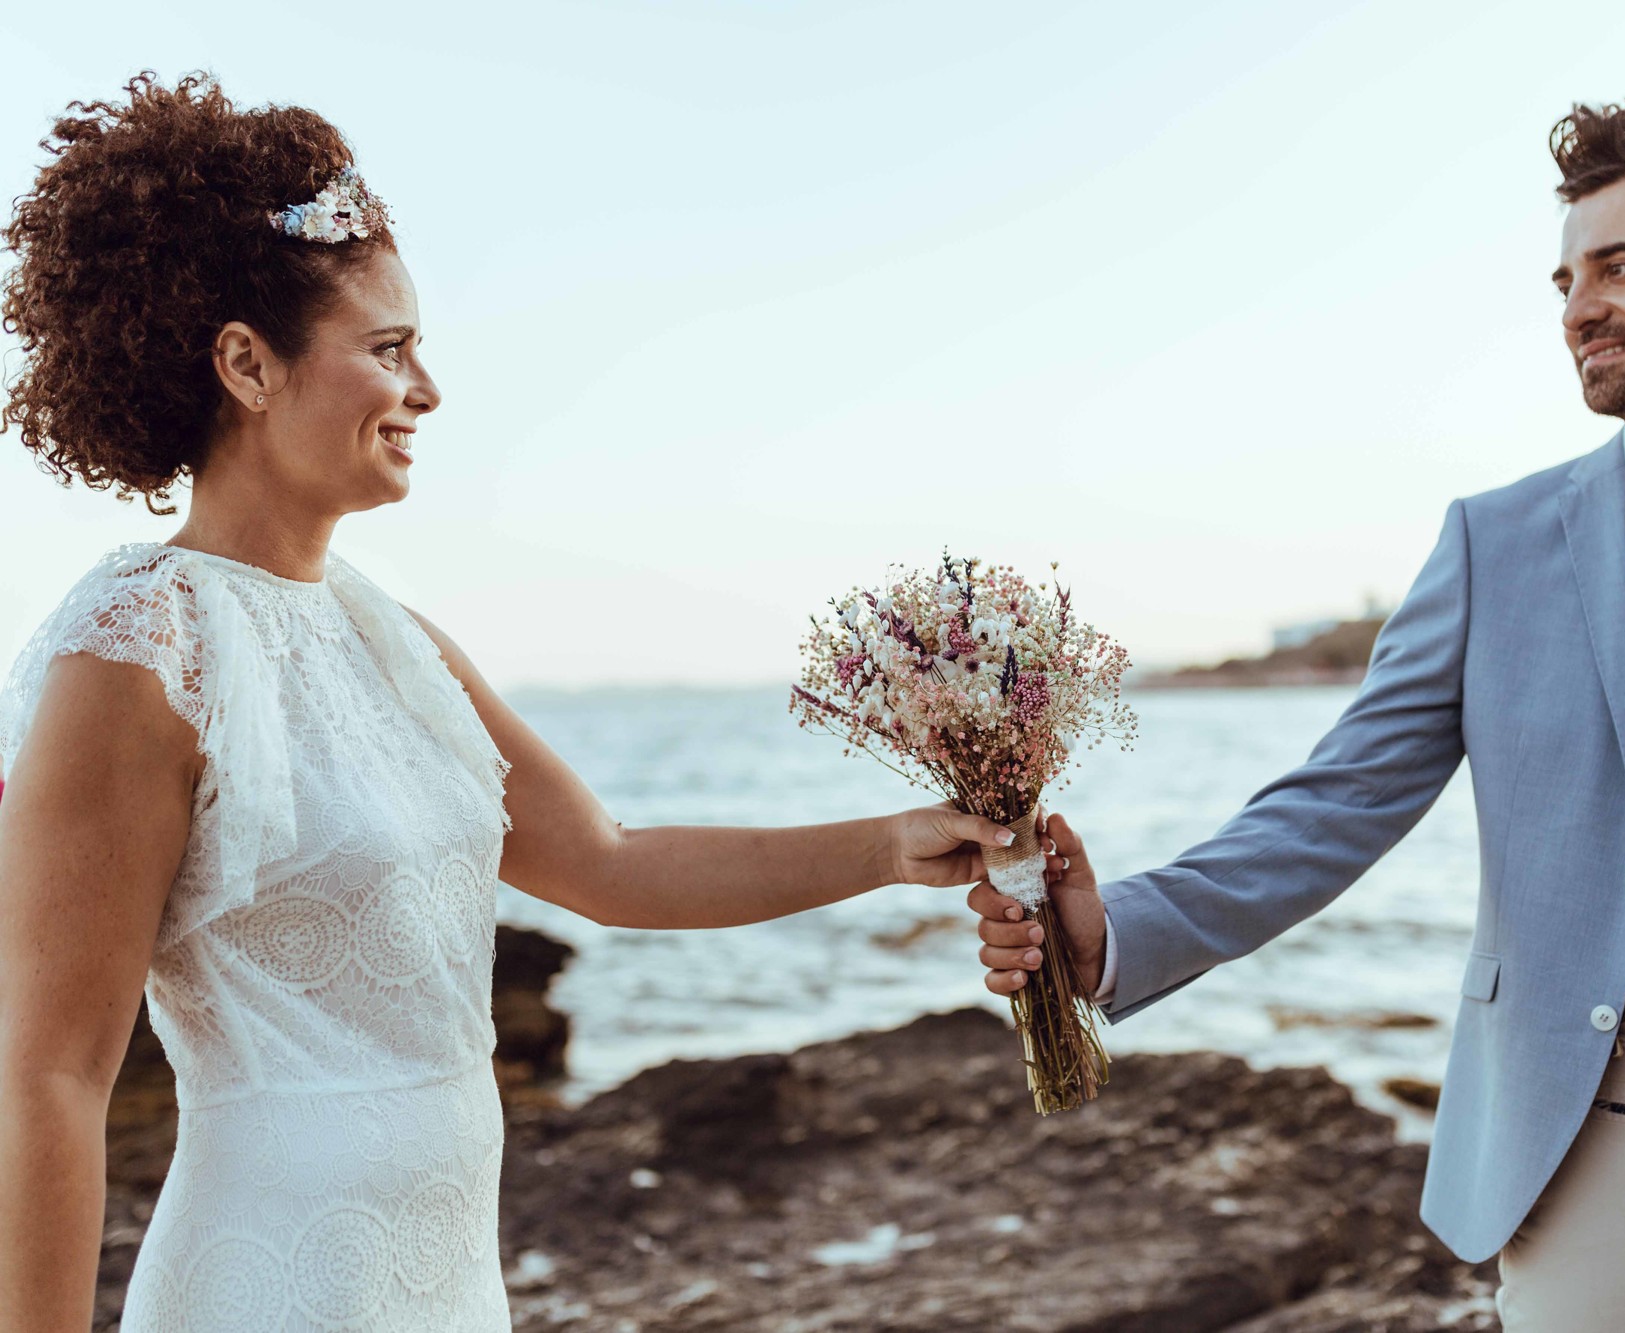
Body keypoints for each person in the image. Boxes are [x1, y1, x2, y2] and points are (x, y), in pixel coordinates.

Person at [0, 73, 1016, 1331]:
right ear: (247, 366)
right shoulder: (136, 650)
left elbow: (609, 862)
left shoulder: (393, 639)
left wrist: (887, 847)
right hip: (267, 1286)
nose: (425, 389)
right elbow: (48, 1075)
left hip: (447, 1287)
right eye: (387, 349)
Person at [971, 99, 1625, 1329]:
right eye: (1565, 278)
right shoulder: (1492, 544)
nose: (1577, 309)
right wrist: (1116, 931)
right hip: (1603, 1144)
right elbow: (1339, 801)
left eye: (1622, 266)